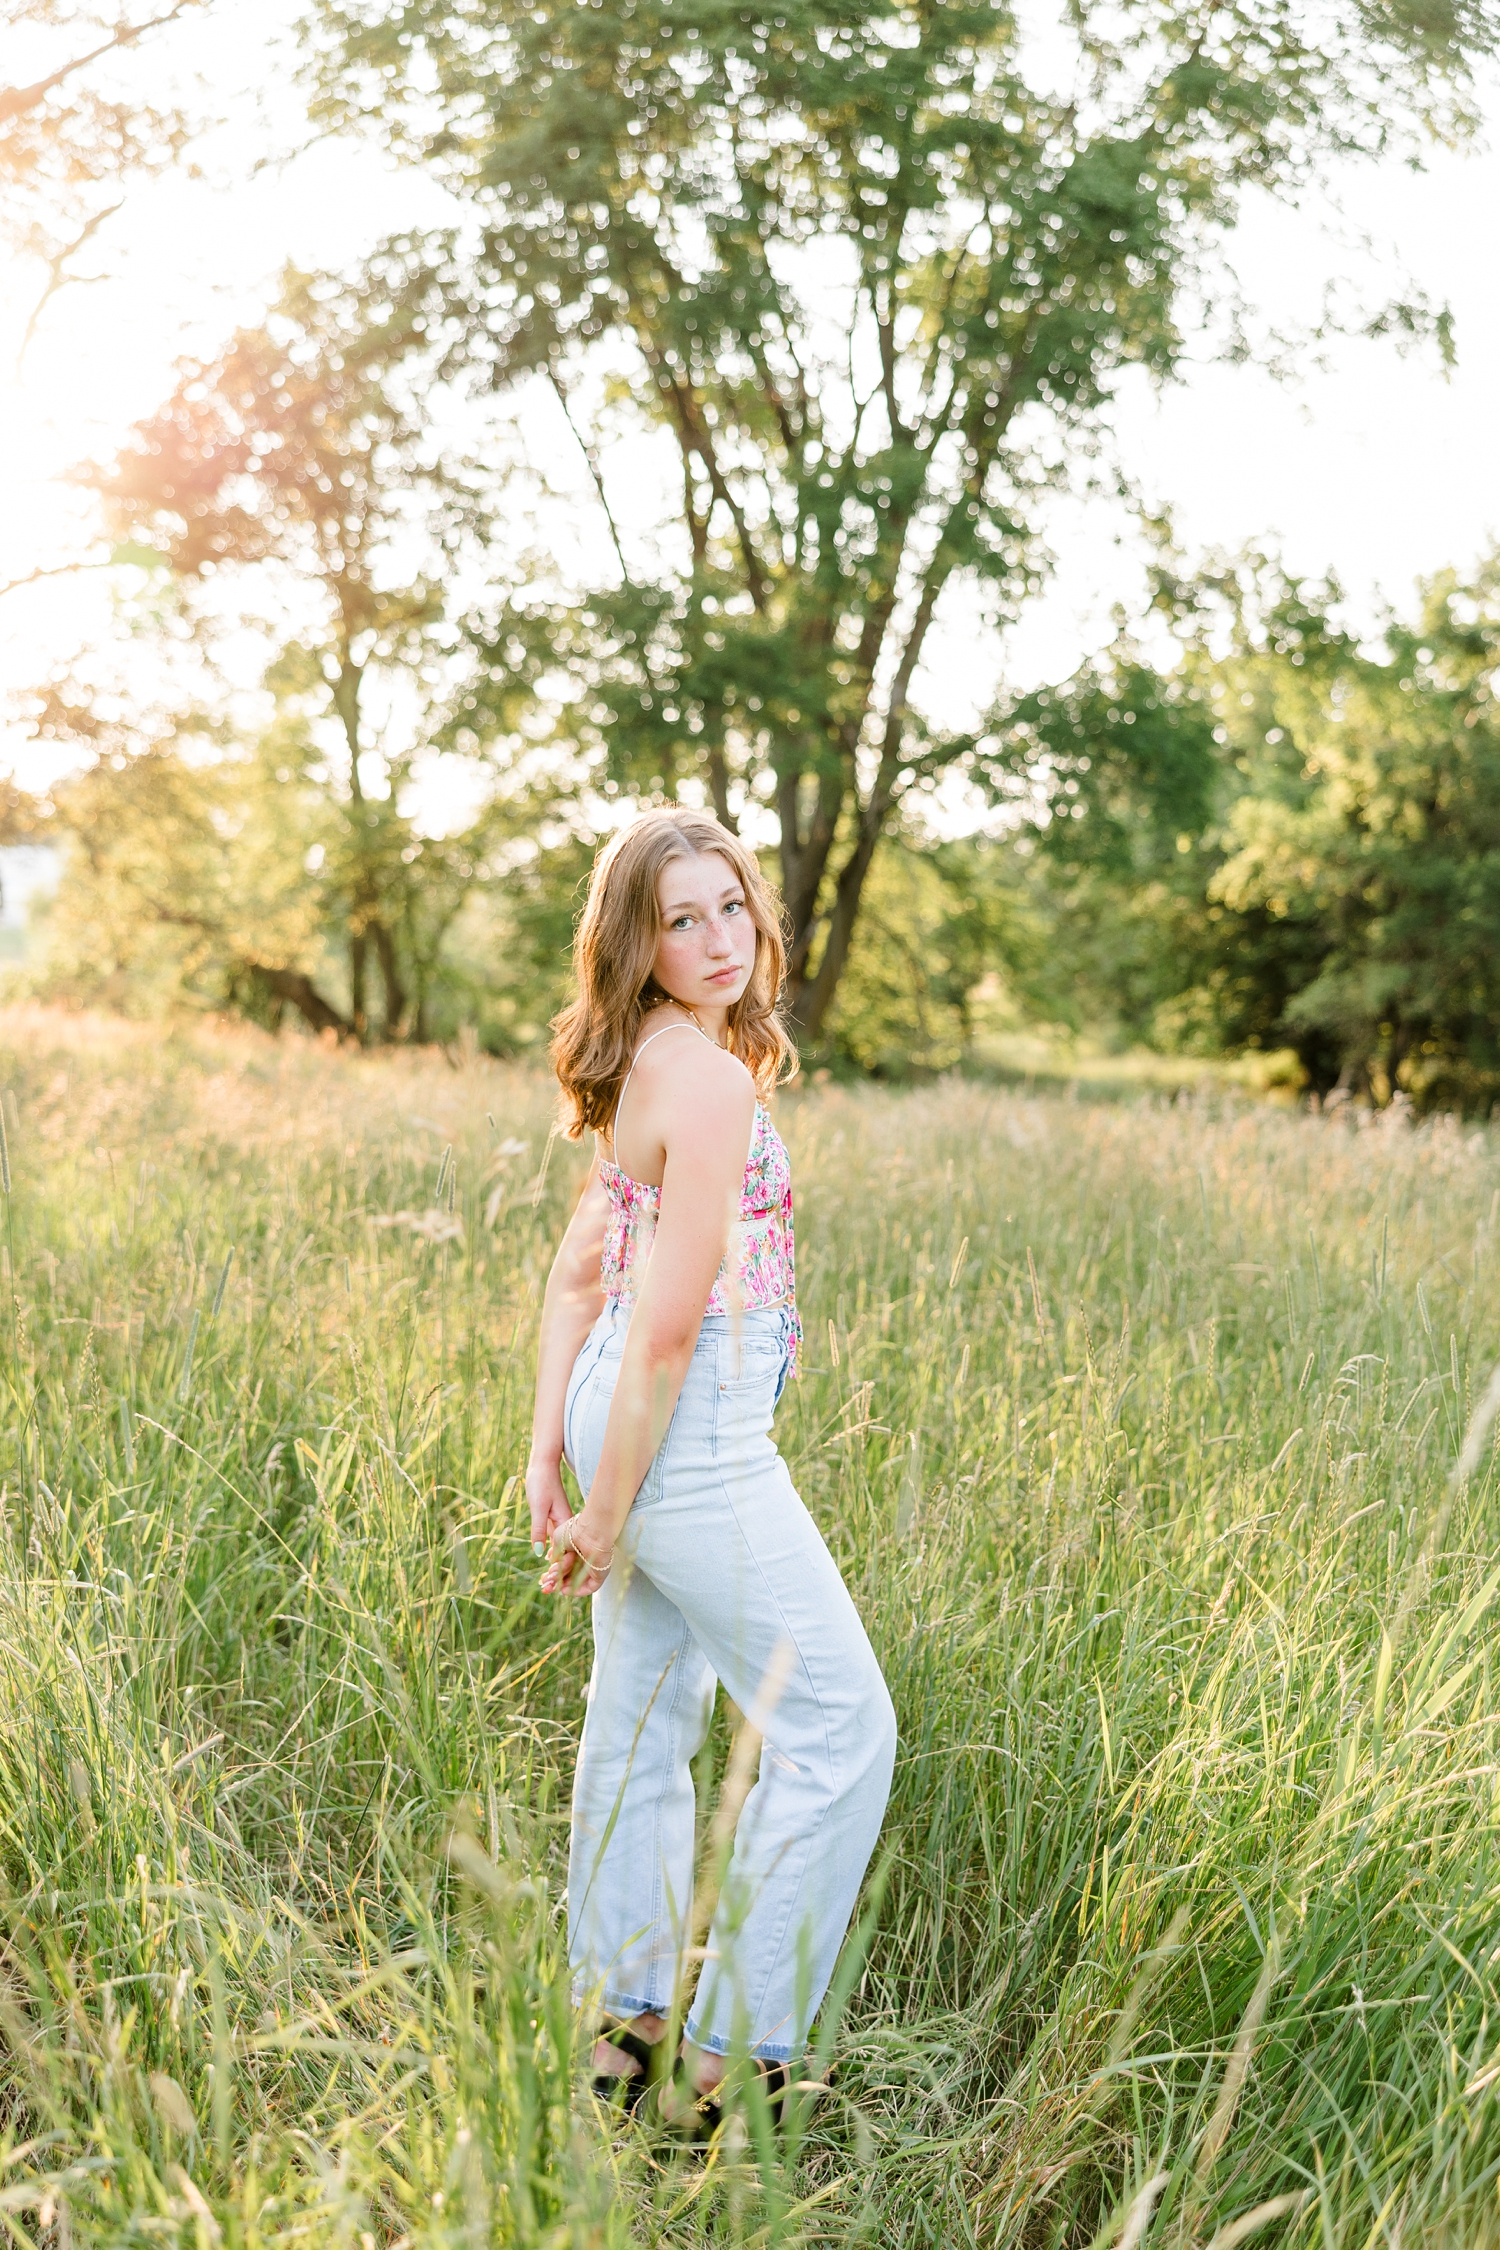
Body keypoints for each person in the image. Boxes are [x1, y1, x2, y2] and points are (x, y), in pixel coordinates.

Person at [525, 807, 897, 2129]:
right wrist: (607, 1498)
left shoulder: (650, 1057)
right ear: (636, 937)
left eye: (731, 903)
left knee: (640, 1713)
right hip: (684, 1433)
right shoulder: (711, 1078)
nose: (719, 935)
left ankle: (617, 2028)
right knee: (844, 1731)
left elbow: (584, 1266)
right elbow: (669, 1322)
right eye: (681, 917)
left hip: (617, 1407)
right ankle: (733, 2061)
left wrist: (548, 1448)